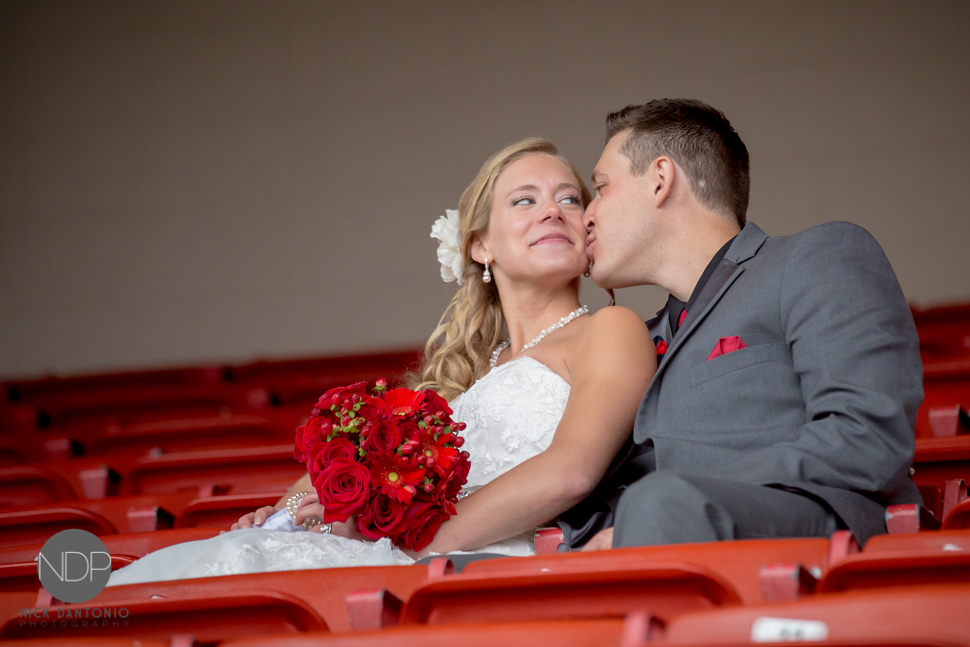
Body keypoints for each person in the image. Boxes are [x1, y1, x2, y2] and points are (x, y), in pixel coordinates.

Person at [107, 137, 655, 585]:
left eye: (570, 198)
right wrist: (284, 510)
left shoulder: (608, 329)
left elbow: (571, 471)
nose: (554, 210)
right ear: (480, 246)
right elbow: (363, 473)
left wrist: (403, 537)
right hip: (415, 557)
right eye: (525, 200)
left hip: (473, 570)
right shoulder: (468, 377)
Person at [560, 99, 923, 552]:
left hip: (815, 547)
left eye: (601, 187)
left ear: (660, 179)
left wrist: (654, 509)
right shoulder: (631, 342)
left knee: (657, 503)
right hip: (649, 541)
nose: (585, 216)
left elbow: (865, 437)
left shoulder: (818, 257)